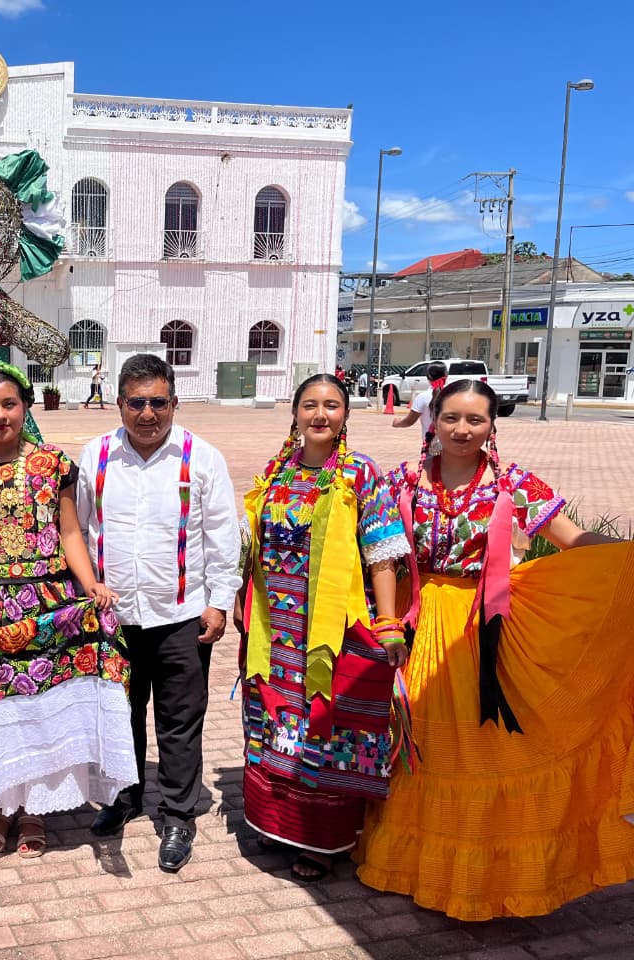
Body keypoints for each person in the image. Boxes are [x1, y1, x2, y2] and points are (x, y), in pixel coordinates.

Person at [355, 379, 634, 920]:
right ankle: (416, 866)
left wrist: (625, 556)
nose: (462, 430)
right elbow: (381, 559)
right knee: (426, 749)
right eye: (451, 417)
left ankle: (492, 872)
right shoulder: (401, 483)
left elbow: (572, 539)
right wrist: (387, 623)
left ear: (492, 425)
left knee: (495, 745)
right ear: (431, 419)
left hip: (492, 625)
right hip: (422, 626)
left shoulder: (513, 484)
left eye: (475, 420)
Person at [0, 361, 137, 858]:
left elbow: (69, 532)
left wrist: (91, 586)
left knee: (42, 709)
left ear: (25, 407)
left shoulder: (54, 464)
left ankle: (37, 809)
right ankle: (1, 809)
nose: (1, 415)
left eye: (9, 404)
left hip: (48, 606)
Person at [230, 373, 411, 881]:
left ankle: (320, 841)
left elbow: (382, 555)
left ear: (346, 414)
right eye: (310, 404)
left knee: (324, 725)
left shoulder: (359, 474)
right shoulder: (276, 471)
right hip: (274, 627)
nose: (320, 414)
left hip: (331, 630)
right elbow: (253, 545)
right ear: (294, 412)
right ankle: (273, 825)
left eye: (332, 405)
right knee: (274, 719)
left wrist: (390, 623)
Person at [76, 354, 241, 872]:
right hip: (114, 619)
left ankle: (177, 815)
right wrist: (85, 590)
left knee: (179, 721)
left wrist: (219, 602)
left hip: (182, 615)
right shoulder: (96, 456)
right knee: (119, 719)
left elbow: (221, 536)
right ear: (120, 403)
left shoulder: (202, 457)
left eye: (158, 402)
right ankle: (123, 800)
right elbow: (78, 533)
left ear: (174, 401)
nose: (147, 413)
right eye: (136, 402)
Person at [391, 361, 445, 444]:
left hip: (430, 446)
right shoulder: (454, 395)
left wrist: (397, 423)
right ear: (446, 376)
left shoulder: (423, 397)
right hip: (452, 447)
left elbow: (409, 421)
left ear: (428, 377)